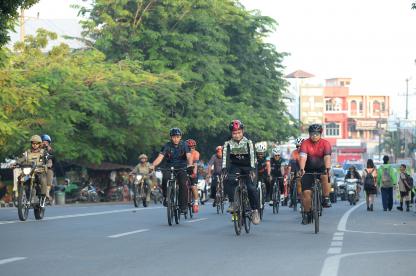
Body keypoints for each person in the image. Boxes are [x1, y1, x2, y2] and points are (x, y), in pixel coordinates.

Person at [222, 119, 260, 225]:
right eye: (234, 133)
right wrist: (224, 169)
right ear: (231, 133)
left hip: (249, 166)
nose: (237, 135)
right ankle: (233, 203)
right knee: (228, 180)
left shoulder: (249, 142)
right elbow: (225, 157)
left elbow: (252, 156)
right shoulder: (228, 143)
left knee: (251, 188)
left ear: (242, 131)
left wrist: (252, 169)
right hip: (235, 166)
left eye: (239, 133)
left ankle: (255, 211)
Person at [152, 128, 193, 214]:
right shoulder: (167, 145)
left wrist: (190, 164)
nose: (176, 139)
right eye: (174, 137)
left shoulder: (185, 145)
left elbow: (189, 156)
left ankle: (183, 206)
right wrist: (153, 165)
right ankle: (166, 197)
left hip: (182, 167)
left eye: (177, 137)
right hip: (169, 167)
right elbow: (160, 157)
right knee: (165, 178)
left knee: (183, 184)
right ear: (171, 137)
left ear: (180, 137)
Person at [299, 124, 332, 225]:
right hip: (308, 170)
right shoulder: (305, 143)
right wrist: (302, 169)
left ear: (320, 134)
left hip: (321, 168)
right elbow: (303, 157)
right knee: (306, 193)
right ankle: (307, 213)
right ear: (309, 134)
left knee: (325, 176)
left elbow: (327, 157)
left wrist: (327, 169)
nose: (314, 136)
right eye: (312, 134)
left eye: (317, 134)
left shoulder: (325, 143)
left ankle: (326, 198)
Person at [16, 135, 51, 207]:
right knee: (20, 178)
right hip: (29, 173)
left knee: (43, 180)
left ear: (39, 144)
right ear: (31, 144)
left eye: (37, 143)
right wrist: (15, 163)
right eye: (33, 143)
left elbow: (49, 160)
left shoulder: (43, 152)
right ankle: (20, 197)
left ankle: (43, 198)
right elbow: (21, 159)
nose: (35, 145)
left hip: (39, 172)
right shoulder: (27, 152)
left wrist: (48, 164)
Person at [288, 137, 304, 207]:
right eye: (297, 146)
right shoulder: (294, 152)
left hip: (305, 168)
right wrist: (291, 173)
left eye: (300, 146)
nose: (298, 148)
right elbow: (292, 163)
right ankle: (292, 199)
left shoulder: (306, 152)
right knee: (291, 182)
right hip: (296, 169)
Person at [186, 139, 200, 213]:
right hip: (184, 169)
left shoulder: (196, 153)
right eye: (189, 147)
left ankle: (196, 202)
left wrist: (194, 173)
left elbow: (195, 164)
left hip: (193, 169)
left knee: (193, 186)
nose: (191, 149)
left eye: (193, 147)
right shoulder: (183, 152)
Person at [41, 134, 54, 205]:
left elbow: (51, 160)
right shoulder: (37, 150)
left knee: (49, 172)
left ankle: (47, 193)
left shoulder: (50, 150)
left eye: (46, 142)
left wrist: (48, 165)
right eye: (43, 141)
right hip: (36, 167)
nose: (45, 143)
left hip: (46, 167)